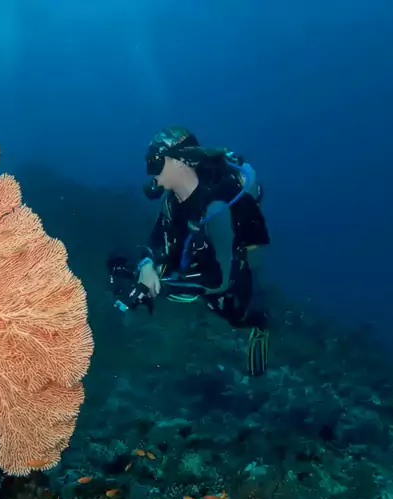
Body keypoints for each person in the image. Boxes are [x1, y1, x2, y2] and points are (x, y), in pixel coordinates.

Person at [108, 126, 272, 375]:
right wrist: (146, 265)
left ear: (181, 162)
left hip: (225, 276)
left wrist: (159, 287)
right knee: (126, 264)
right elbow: (156, 238)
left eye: (155, 162)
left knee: (233, 310)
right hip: (197, 262)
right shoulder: (173, 202)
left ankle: (260, 324)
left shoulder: (218, 204)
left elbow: (218, 281)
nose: (149, 172)